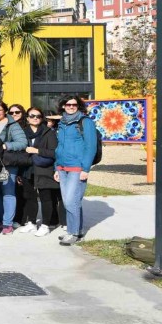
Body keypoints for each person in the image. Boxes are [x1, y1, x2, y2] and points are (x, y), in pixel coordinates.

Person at [55, 95, 97, 246]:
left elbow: (91, 147)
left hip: (77, 167)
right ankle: (77, 230)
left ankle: (72, 232)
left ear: (78, 106)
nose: (71, 107)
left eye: (74, 104)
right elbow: (59, 146)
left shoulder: (85, 122)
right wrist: (56, 167)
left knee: (70, 201)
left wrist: (85, 169)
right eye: (68, 104)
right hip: (62, 167)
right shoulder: (62, 123)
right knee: (73, 201)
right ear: (63, 106)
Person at [16, 108, 60, 237]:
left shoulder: (48, 132)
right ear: (27, 118)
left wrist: (37, 151)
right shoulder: (23, 133)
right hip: (27, 169)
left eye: (38, 116)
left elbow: (55, 152)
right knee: (30, 197)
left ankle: (45, 225)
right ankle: (31, 222)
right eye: (32, 116)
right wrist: (19, 172)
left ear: (42, 118)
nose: (35, 118)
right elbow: (18, 152)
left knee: (46, 197)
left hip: (44, 169)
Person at [0, 100, 27, 235]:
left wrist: (6, 145)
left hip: (7, 163)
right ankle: (0, 219)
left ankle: (7, 223)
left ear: (5, 111)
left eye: (0, 110)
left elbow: (22, 142)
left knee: (8, 192)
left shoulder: (12, 124)